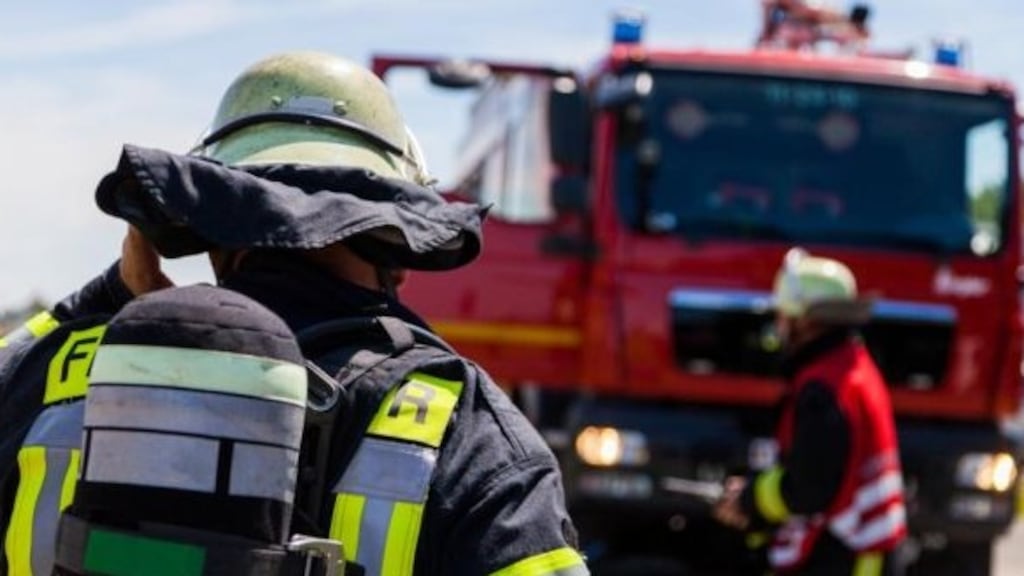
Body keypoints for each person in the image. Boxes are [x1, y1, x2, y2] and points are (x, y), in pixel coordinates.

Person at [0, 51, 589, 576]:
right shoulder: (462, 429)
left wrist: (98, 302)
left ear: (211, 231)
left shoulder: (60, 376)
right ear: (400, 252)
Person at [713, 248, 906, 575]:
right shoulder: (851, 366)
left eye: (782, 315)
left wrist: (749, 499)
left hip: (847, 558)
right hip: (861, 552)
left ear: (804, 320)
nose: (778, 325)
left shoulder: (823, 388)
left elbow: (810, 488)